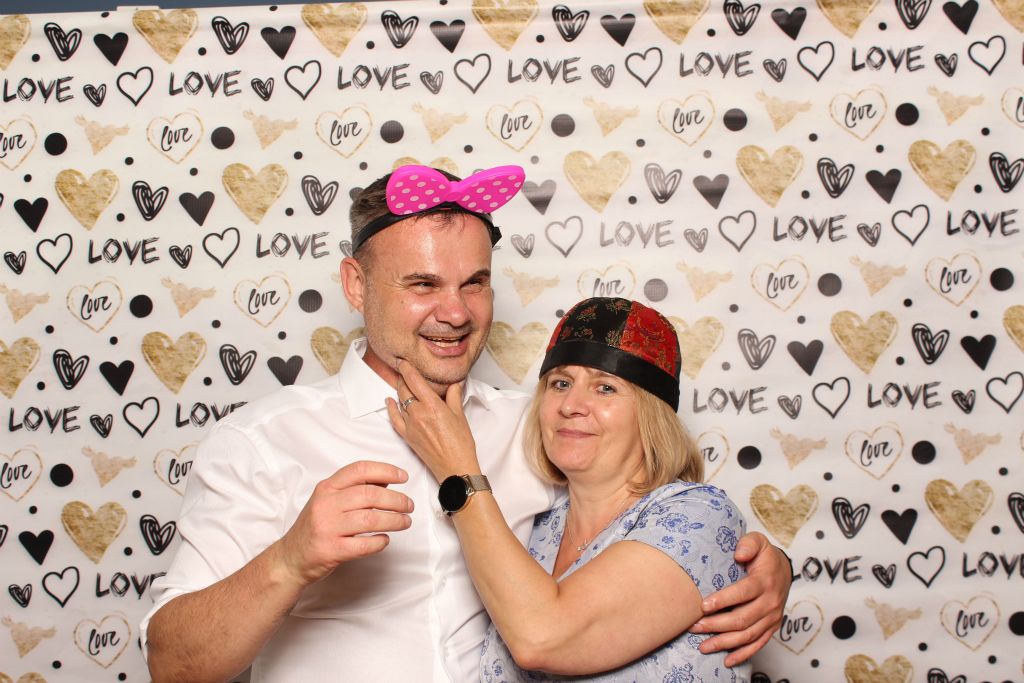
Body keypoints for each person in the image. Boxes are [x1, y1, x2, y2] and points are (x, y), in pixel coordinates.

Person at [142, 165, 791, 683]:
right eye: (423, 284)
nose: (454, 312)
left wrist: (762, 567)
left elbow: (642, 517)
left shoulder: (537, 427)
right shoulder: (262, 442)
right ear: (356, 285)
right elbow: (173, 665)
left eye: (474, 283)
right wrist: (288, 561)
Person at [389, 296, 751, 681]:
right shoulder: (536, 528)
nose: (571, 405)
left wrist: (457, 469)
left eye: (605, 388)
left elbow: (541, 637)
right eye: (560, 383)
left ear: (651, 414)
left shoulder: (700, 517)